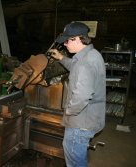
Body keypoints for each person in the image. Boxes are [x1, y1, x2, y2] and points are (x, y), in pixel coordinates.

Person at [49, 21, 106, 167]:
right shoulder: (91, 55)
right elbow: (75, 66)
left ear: (78, 38)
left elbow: (81, 97)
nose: (65, 45)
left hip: (80, 124)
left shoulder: (86, 62)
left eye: (67, 41)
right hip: (90, 118)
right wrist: (61, 57)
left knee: (75, 162)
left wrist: (68, 111)